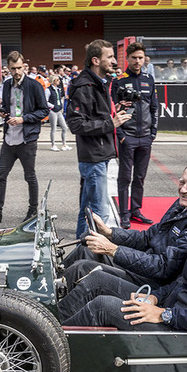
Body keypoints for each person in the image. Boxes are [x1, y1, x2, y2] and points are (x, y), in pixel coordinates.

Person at [59, 159, 187, 333]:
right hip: (169, 308)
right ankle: (42, 327)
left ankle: (46, 346)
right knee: (96, 278)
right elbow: (181, 280)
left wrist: (164, 314)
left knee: (103, 306)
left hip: (186, 330)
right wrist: (156, 297)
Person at [61, 162, 187, 292]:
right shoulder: (182, 206)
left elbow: (163, 267)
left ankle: (44, 319)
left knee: (81, 269)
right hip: (144, 267)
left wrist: (113, 250)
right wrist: (109, 233)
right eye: (182, 182)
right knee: (86, 248)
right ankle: (47, 290)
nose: (183, 189)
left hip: (154, 283)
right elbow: (147, 237)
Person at [66, 39, 132, 238]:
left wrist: (113, 113)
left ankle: (81, 253)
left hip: (98, 156)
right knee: (99, 213)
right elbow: (76, 124)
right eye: (109, 57)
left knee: (86, 211)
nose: (114, 60)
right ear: (96, 60)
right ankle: (90, 257)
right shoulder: (85, 86)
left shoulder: (100, 83)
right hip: (93, 158)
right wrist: (111, 123)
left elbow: (95, 116)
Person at [0, 51, 48, 224]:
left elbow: (44, 111)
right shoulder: (7, 85)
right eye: (12, 68)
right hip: (9, 138)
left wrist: (23, 118)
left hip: (27, 139)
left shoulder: (34, 85)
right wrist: (2, 112)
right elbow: (8, 106)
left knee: (30, 176)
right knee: (1, 175)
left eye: (19, 68)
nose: (16, 72)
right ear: (7, 68)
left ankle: (32, 212)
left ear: (24, 66)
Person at [111, 41, 158, 228]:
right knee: (125, 177)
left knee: (140, 176)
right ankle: (124, 213)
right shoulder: (119, 80)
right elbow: (113, 111)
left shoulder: (149, 79)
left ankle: (136, 210)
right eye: (134, 58)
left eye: (140, 58)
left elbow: (154, 108)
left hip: (145, 136)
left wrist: (153, 132)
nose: (137, 61)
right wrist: (120, 134)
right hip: (127, 136)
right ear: (128, 59)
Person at [46, 74, 71, 152]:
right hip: (52, 111)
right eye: (57, 80)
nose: (59, 82)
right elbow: (45, 101)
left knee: (64, 127)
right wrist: (53, 106)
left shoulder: (58, 89)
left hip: (59, 110)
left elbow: (60, 99)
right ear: (53, 81)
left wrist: (61, 107)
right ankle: (53, 145)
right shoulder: (48, 90)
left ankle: (64, 144)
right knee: (54, 129)